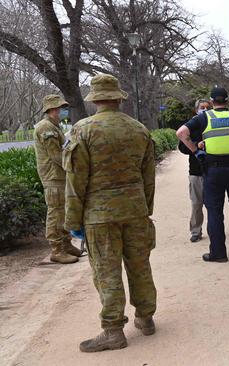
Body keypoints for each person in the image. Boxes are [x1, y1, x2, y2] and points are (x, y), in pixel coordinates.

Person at [64, 74, 157, 352]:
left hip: (99, 215)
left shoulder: (82, 130)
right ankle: (146, 318)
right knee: (140, 264)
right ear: (118, 98)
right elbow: (148, 177)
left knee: (107, 270)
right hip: (135, 210)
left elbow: (75, 181)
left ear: (95, 100)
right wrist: (145, 210)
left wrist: (72, 221)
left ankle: (113, 330)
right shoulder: (139, 129)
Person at [176, 87, 229, 263]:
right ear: (227, 101)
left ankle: (218, 253)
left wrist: (197, 152)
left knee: (214, 211)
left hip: (213, 171)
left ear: (212, 102)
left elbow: (181, 133)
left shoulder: (204, 118)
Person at [33, 94, 82, 264]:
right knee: (55, 213)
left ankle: (66, 245)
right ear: (52, 109)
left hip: (59, 176)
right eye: (61, 108)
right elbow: (56, 156)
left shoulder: (54, 126)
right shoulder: (45, 128)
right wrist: (76, 165)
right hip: (53, 177)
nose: (63, 111)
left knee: (63, 211)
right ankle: (56, 250)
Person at [177, 99, 211, 242]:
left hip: (212, 170)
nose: (204, 109)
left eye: (207, 107)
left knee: (213, 204)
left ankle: (214, 229)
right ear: (196, 110)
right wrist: (196, 146)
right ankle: (196, 231)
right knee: (196, 203)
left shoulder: (213, 124)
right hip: (196, 171)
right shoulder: (191, 126)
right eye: (202, 107)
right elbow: (182, 147)